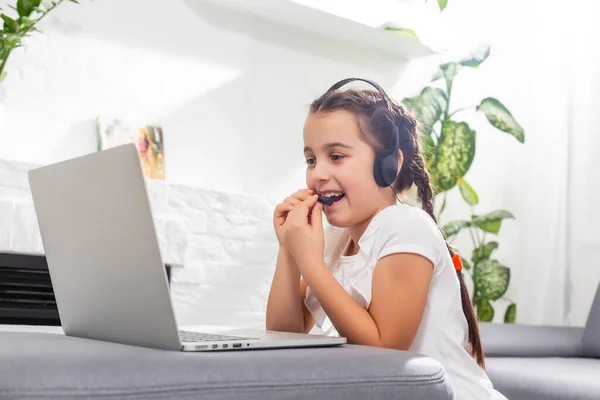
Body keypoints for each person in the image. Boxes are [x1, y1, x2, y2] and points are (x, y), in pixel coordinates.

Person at [266, 78, 507, 399]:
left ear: (389, 166)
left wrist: (310, 263)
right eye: (311, 159)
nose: (318, 173)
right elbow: (284, 336)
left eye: (336, 156)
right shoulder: (337, 239)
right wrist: (289, 250)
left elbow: (385, 353)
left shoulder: (406, 227)